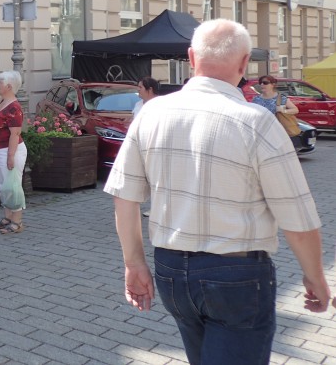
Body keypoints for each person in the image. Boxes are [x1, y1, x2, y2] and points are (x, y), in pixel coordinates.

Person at [105, 19, 330, 365]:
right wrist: (314, 276)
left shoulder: (152, 112)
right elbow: (296, 216)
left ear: (191, 57)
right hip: (236, 277)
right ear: (243, 64)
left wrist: (133, 264)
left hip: (170, 271)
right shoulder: (256, 122)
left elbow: (125, 196)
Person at [0, 70, 27, 235]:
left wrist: (11, 156)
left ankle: (17, 220)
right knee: (3, 185)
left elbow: (15, 134)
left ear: (9, 86)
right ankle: (8, 217)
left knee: (12, 186)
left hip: (9, 150)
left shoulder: (14, 108)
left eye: (0, 83)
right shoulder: (3, 102)